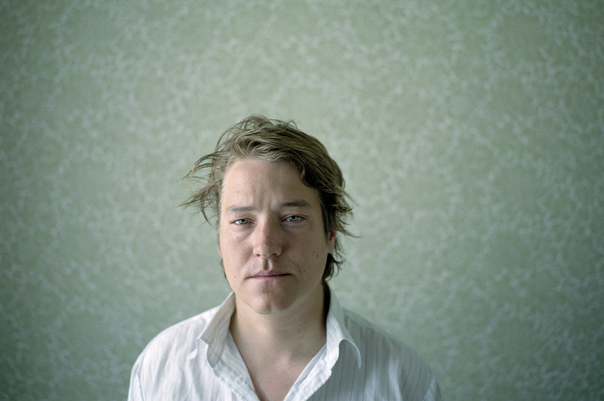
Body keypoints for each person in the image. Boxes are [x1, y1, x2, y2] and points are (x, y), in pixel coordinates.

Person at [128, 116, 443, 401]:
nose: (266, 246)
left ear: (330, 232)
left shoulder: (404, 381)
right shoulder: (160, 368)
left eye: (292, 218)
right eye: (242, 221)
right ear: (219, 241)